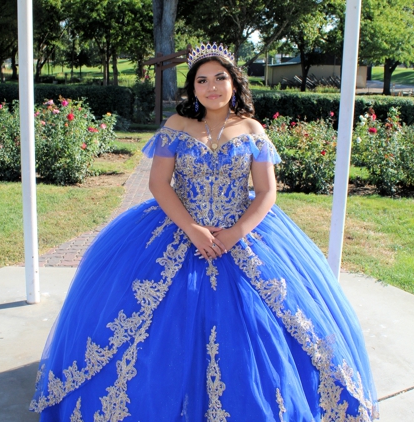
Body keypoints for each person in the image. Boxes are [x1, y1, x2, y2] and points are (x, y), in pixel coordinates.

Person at [30, 43, 378, 421]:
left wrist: (234, 234)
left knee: (267, 327)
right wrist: (193, 229)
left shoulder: (251, 129)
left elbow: (266, 192)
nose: (212, 87)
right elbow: (159, 184)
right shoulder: (176, 125)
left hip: (242, 234)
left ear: (234, 82)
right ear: (192, 88)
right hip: (178, 227)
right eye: (202, 80)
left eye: (220, 78)